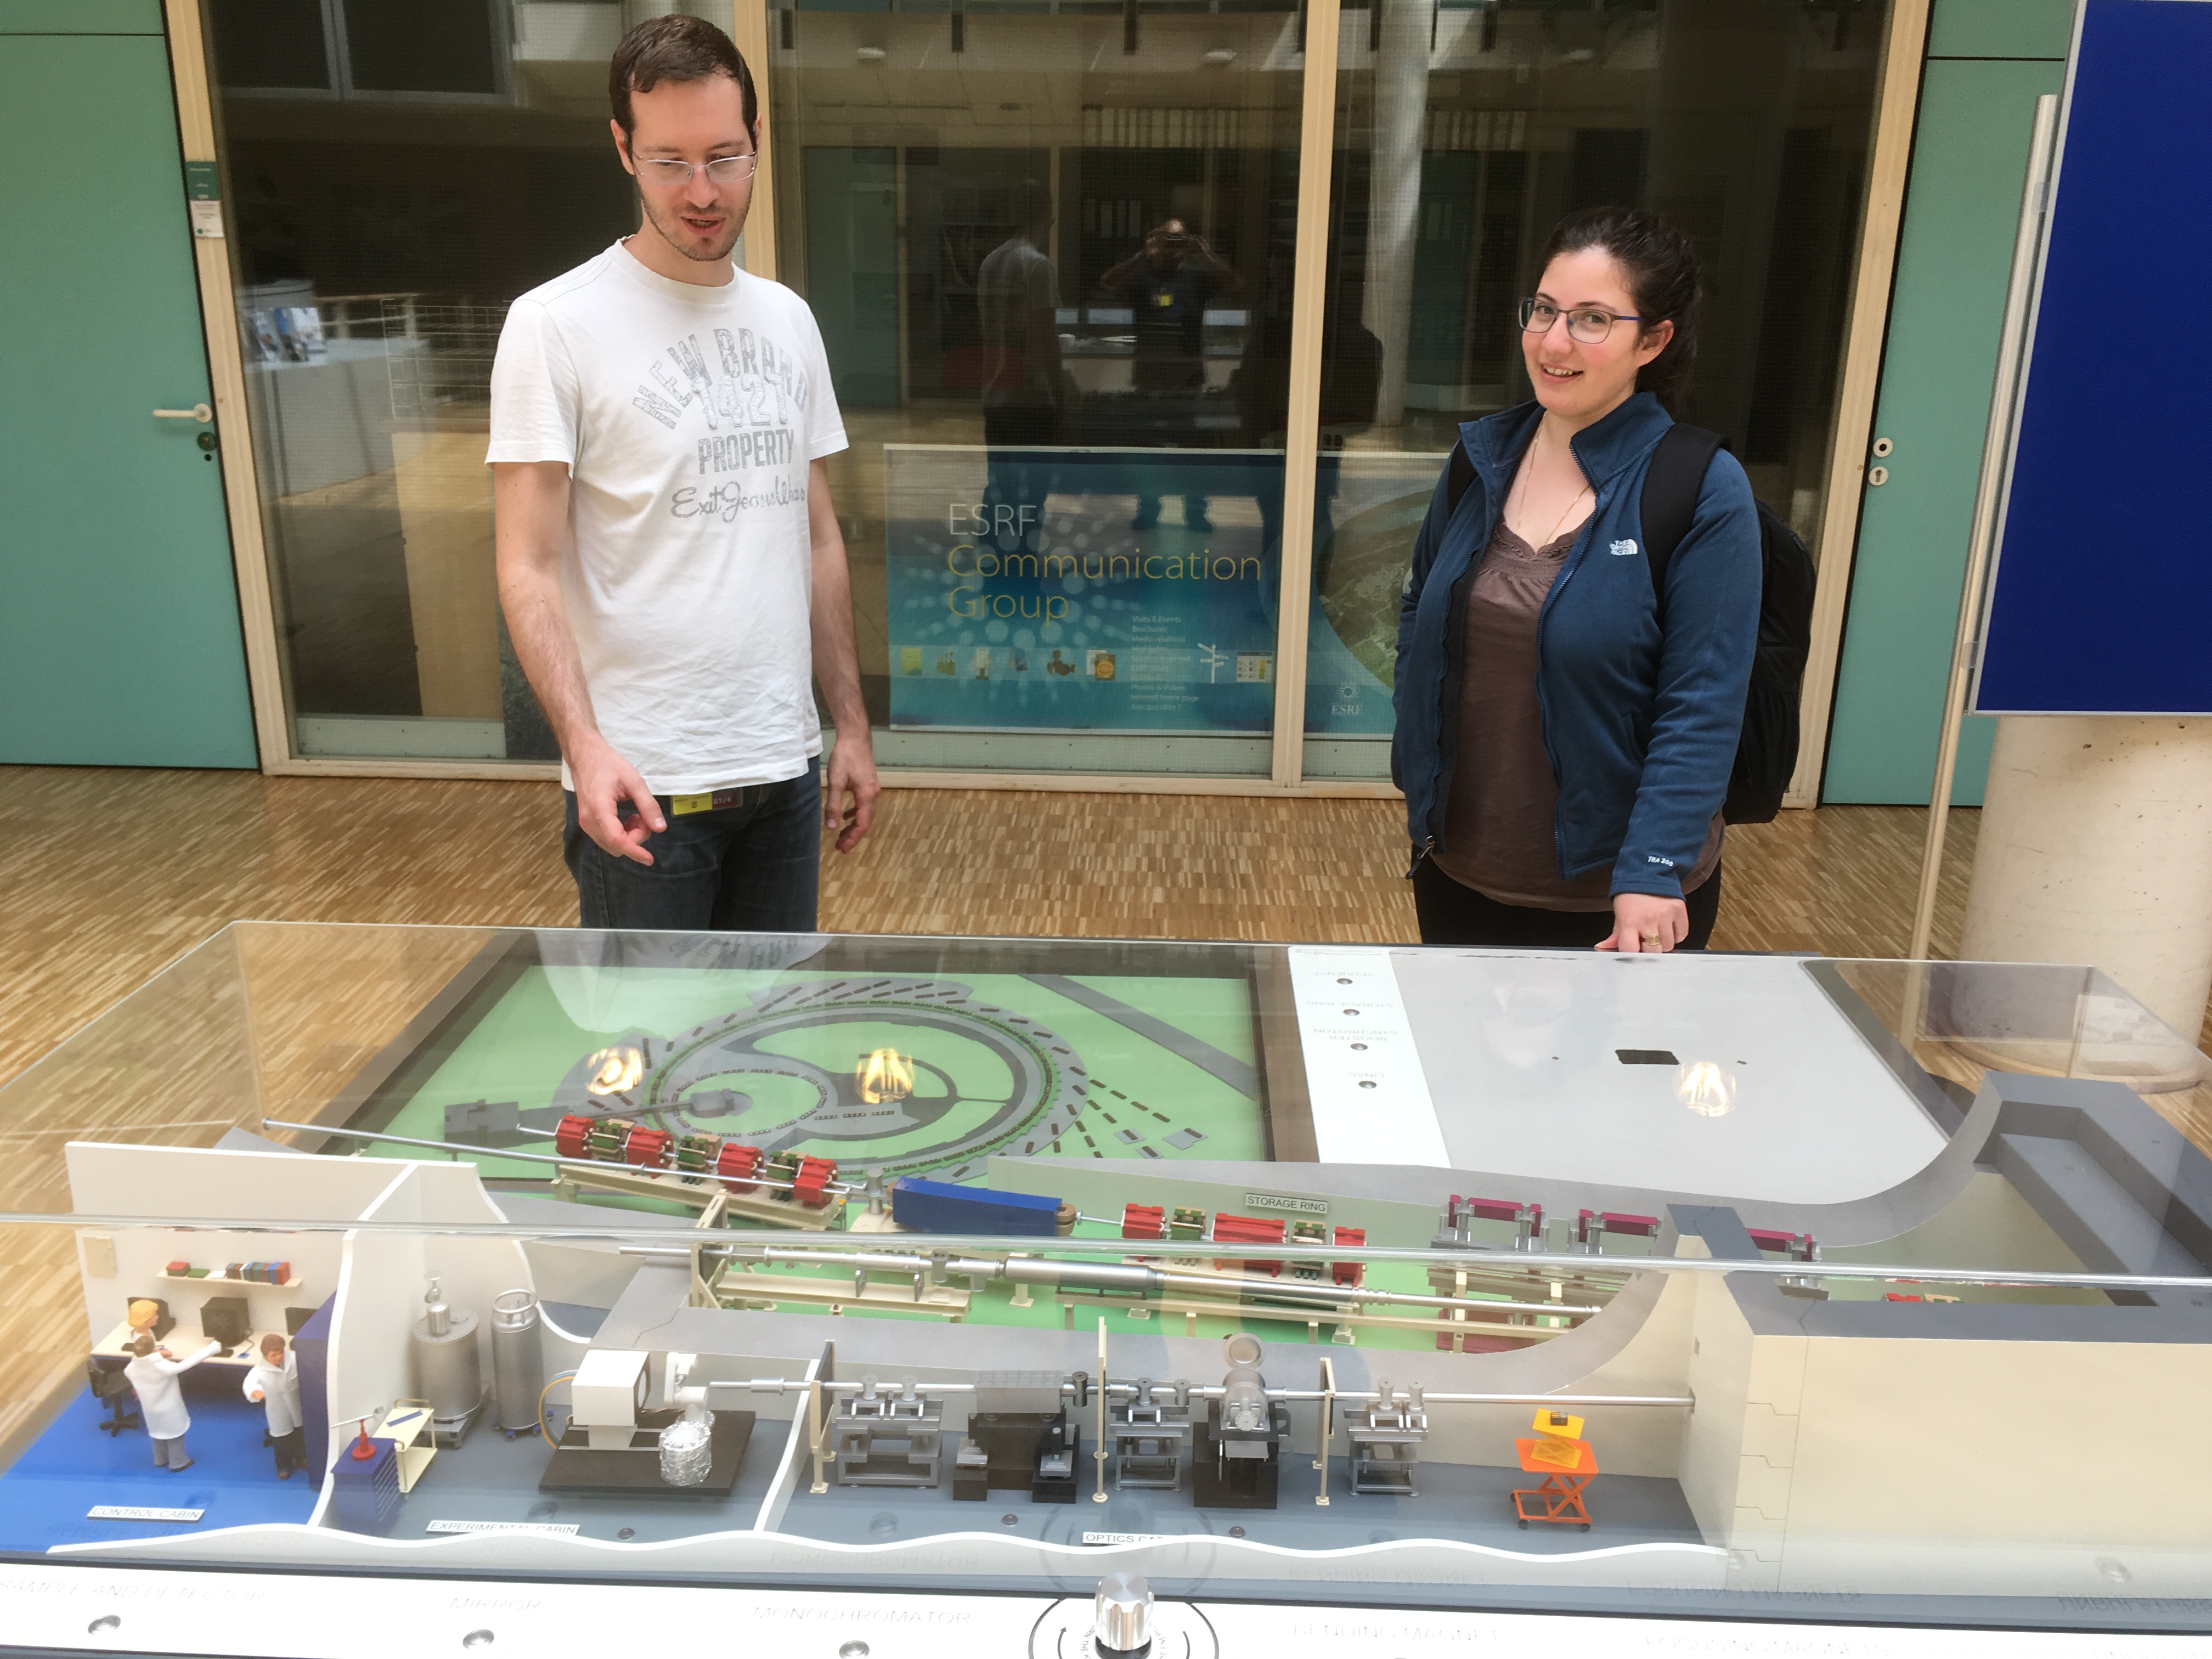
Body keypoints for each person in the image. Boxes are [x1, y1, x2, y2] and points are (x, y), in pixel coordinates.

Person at [490, 15, 878, 934]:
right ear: (623, 148)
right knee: (650, 1024)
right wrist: (583, 747)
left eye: (724, 157)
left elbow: (818, 539)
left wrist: (850, 727)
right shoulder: (554, 325)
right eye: (670, 161)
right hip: (643, 781)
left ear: (756, 142)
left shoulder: (788, 321)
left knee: (773, 1018)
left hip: (783, 767)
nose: (702, 192)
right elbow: (527, 565)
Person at [1392, 206, 1760, 952]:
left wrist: (1654, 869)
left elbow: (1702, 702)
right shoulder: (1480, 460)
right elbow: (1418, 613)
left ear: (1653, 341)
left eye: (1593, 319)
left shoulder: (1699, 487)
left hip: (1620, 898)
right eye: (1544, 311)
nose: (1554, 342)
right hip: (1461, 869)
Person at [1100, 218, 1243, 531]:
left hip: (1188, 378)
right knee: (1146, 451)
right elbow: (1108, 282)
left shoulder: (1198, 275)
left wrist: (1207, 257)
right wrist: (1143, 256)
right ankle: (1149, 507)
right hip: (1148, 378)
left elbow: (1235, 286)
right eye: (1168, 240)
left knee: (1194, 452)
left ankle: (1195, 511)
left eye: (1180, 241)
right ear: (1156, 239)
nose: (1174, 248)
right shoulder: (1142, 273)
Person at [977, 179, 1064, 546]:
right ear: (1047, 215)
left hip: (996, 394)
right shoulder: (1038, 266)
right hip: (1030, 399)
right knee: (1033, 491)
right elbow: (1046, 340)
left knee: (1001, 485)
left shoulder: (990, 263)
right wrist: (1061, 397)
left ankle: (993, 561)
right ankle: (1024, 562)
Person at [124, 1332, 220, 1472]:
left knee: (158, 1434)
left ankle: (160, 1459)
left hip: (150, 1408)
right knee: (175, 1435)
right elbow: (188, 1363)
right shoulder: (162, 1367)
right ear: (153, 1349)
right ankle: (178, 1462)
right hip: (168, 1408)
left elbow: (142, 1367)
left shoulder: (131, 1369)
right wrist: (212, 1349)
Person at [244, 1334, 305, 1481]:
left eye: (281, 1352)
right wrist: (255, 1392)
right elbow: (250, 1383)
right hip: (278, 1410)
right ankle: (284, 1466)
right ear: (266, 1356)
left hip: (297, 1406)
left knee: (300, 1436)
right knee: (282, 1440)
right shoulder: (260, 1371)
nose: (279, 1357)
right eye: (273, 1355)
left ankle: (301, 1458)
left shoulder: (293, 1360)